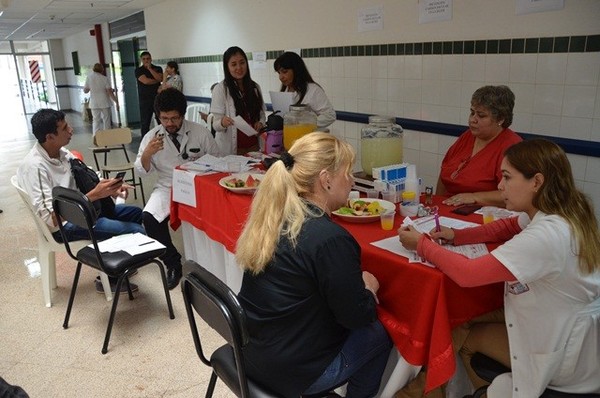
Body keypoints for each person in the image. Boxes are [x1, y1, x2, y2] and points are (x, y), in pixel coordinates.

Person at [399, 139, 600, 396]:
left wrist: (423, 246)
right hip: (562, 325)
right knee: (461, 319)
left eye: (506, 177)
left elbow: (468, 274)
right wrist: (456, 236)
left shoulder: (548, 235)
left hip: (563, 352)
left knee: (461, 337)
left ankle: (454, 392)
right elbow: (507, 226)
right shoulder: (563, 210)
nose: (499, 185)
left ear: (536, 182)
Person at [236, 132, 392, 397]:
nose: (352, 180)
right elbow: (357, 317)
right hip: (292, 373)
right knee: (379, 334)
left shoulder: (274, 216)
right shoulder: (330, 239)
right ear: (326, 180)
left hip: (251, 353)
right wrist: (368, 289)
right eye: (348, 173)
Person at [17, 109, 145, 293]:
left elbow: (89, 174)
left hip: (86, 210)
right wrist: (93, 196)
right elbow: (51, 219)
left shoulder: (61, 153)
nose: (71, 130)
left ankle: (119, 265)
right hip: (66, 225)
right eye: (64, 128)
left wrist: (111, 186)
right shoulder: (35, 167)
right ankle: (110, 278)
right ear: (50, 137)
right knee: (136, 230)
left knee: (138, 214)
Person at [135, 88, 220, 290]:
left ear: (182, 115)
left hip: (199, 184)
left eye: (174, 118)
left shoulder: (200, 132)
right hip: (168, 184)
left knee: (211, 220)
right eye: (164, 119)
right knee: (149, 218)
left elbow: (218, 161)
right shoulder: (151, 137)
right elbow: (141, 171)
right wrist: (147, 153)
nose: (169, 124)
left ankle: (210, 266)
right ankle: (172, 262)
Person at [436, 85, 522, 207]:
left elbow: (514, 194)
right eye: (472, 113)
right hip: (448, 207)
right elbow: (444, 173)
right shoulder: (468, 136)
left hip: (483, 213)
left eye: (481, 115)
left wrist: (474, 197)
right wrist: (437, 202)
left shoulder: (512, 146)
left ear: (500, 119)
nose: (472, 120)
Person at [210, 46, 266, 155]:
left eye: (242, 63)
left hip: (254, 147)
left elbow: (262, 114)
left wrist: (260, 123)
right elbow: (215, 125)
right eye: (234, 64)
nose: (239, 68)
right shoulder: (220, 89)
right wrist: (222, 122)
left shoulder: (255, 87)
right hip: (231, 150)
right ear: (227, 67)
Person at [274, 51, 336, 129]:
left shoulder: (313, 90)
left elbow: (330, 115)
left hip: (307, 137)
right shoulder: (285, 90)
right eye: (278, 73)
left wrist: (305, 123)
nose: (280, 77)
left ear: (296, 70)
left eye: (284, 72)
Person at [83, 63, 118, 142]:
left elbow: (85, 90)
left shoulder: (89, 77)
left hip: (94, 102)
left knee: (96, 120)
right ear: (102, 70)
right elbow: (109, 92)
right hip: (105, 101)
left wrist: (90, 88)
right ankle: (107, 137)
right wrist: (116, 101)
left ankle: (95, 138)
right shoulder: (104, 78)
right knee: (106, 119)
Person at [135, 51, 163, 137]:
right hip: (145, 100)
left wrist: (150, 69)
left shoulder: (158, 68)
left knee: (161, 120)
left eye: (148, 59)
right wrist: (156, 80)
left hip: (157, 99)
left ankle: (163, 139)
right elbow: (145, 81)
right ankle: (144, 142)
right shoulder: (139, 70)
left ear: (151, 59)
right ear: (141, 60)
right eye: (144, 59)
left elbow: (160, 78)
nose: (146, 61)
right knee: (145, 122)